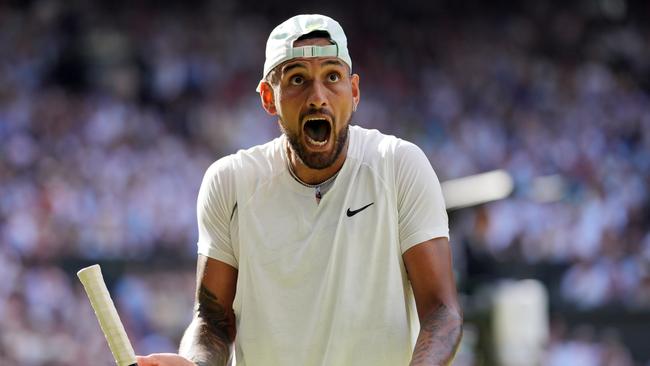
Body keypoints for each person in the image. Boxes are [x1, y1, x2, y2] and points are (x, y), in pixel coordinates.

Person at [137, 14, 462, 366]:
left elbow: (442, 312)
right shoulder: (230, 182)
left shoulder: (399, 166)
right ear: (268, 98)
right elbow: (213, 321)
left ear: (353, 92)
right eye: (297, 80)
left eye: (332, 77)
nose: (317, 97)